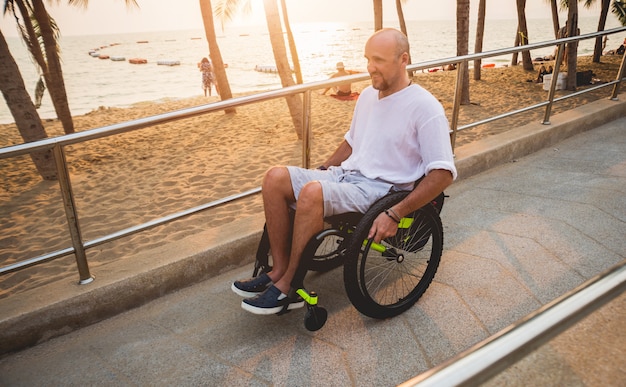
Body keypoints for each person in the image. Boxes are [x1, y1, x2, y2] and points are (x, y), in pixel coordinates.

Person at [231, 28, 457, 315]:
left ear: (403, 59)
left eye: (378, 60)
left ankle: (288, 289)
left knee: (313, 193)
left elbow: (443, 173)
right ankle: (278, 271)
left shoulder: (425, 108)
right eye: (367, 59)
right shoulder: (367, 96)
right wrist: (324, 169)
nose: (370, 67)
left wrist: (396, 212)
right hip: (346, 176)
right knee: (274, 178)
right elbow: (352, 141)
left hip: (381, 189)